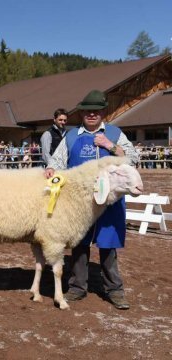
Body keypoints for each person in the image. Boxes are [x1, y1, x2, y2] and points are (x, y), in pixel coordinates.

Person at [45, 90, 138, 310]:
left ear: (104, 112)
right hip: (80, 203)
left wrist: (110, 146)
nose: (92, 115)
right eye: (88, 112)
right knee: (79, 244)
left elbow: (133, 159)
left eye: (96, 112)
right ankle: (77, 287)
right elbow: (57, 160)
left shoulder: (115, 134)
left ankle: (114, 290)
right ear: (82, 114)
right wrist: (50, 169)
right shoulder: (71, 136)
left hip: (110, 202)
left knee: (109, 244)